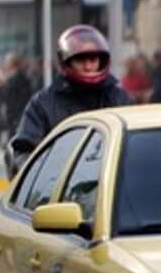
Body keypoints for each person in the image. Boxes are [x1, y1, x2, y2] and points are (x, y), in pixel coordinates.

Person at [9, 25, 134, 167]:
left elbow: (135, 149)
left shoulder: (118, 97)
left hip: (111, 181)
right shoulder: (43, 104)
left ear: (101, 61)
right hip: (61, 185)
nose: (88, 67)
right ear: (66, 62)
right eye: (81, 60)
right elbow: (23, 153)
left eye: (93, 60)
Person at [0, 53, 37, 147]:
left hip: (17, 117)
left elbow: (21, 100)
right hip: (13, 118)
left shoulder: (19, 80)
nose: (4, 64)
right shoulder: (12, 78)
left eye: (7, 62)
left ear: (12, 64)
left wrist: (15, 116)